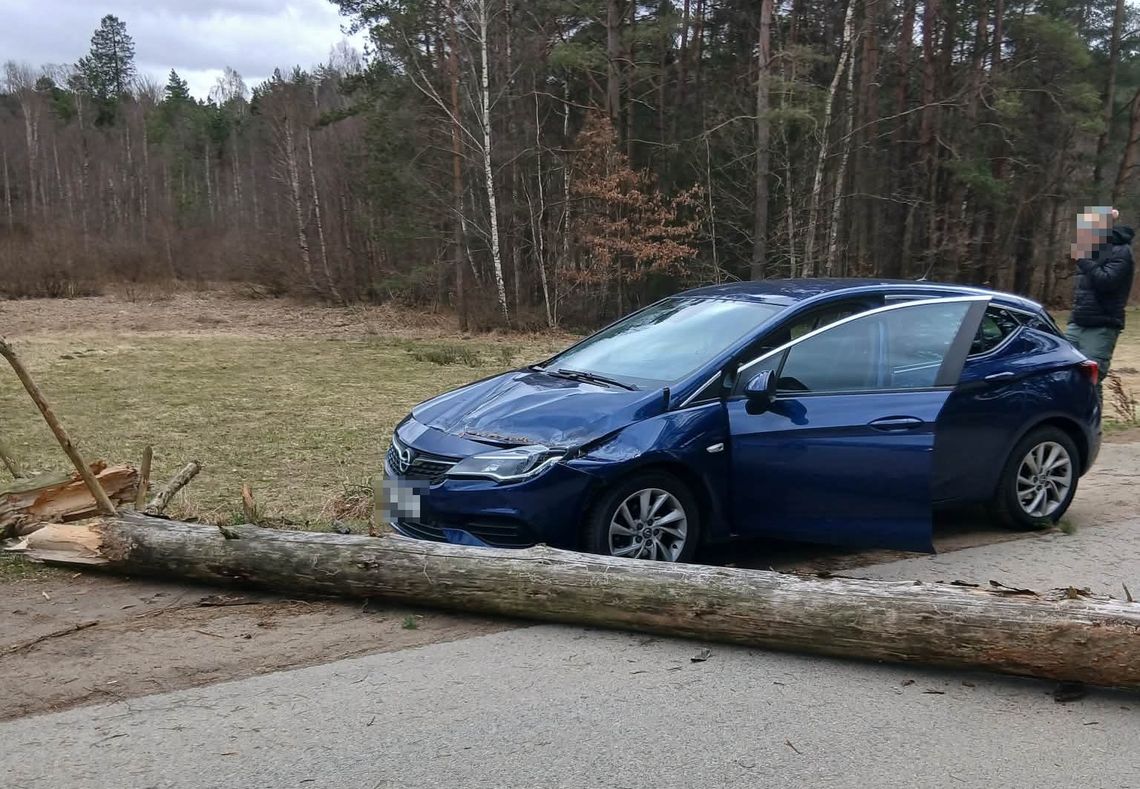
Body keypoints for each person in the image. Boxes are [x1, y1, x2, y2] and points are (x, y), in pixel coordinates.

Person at [1066, 206, 1135, 401]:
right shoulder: (1089, 248)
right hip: (1077, 322)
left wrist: (1084, 261)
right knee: (1063, 373)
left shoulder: (1121, 251)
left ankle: (1092, 427)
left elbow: (1107, 282)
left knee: (1090, 379)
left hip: (1102, 325)